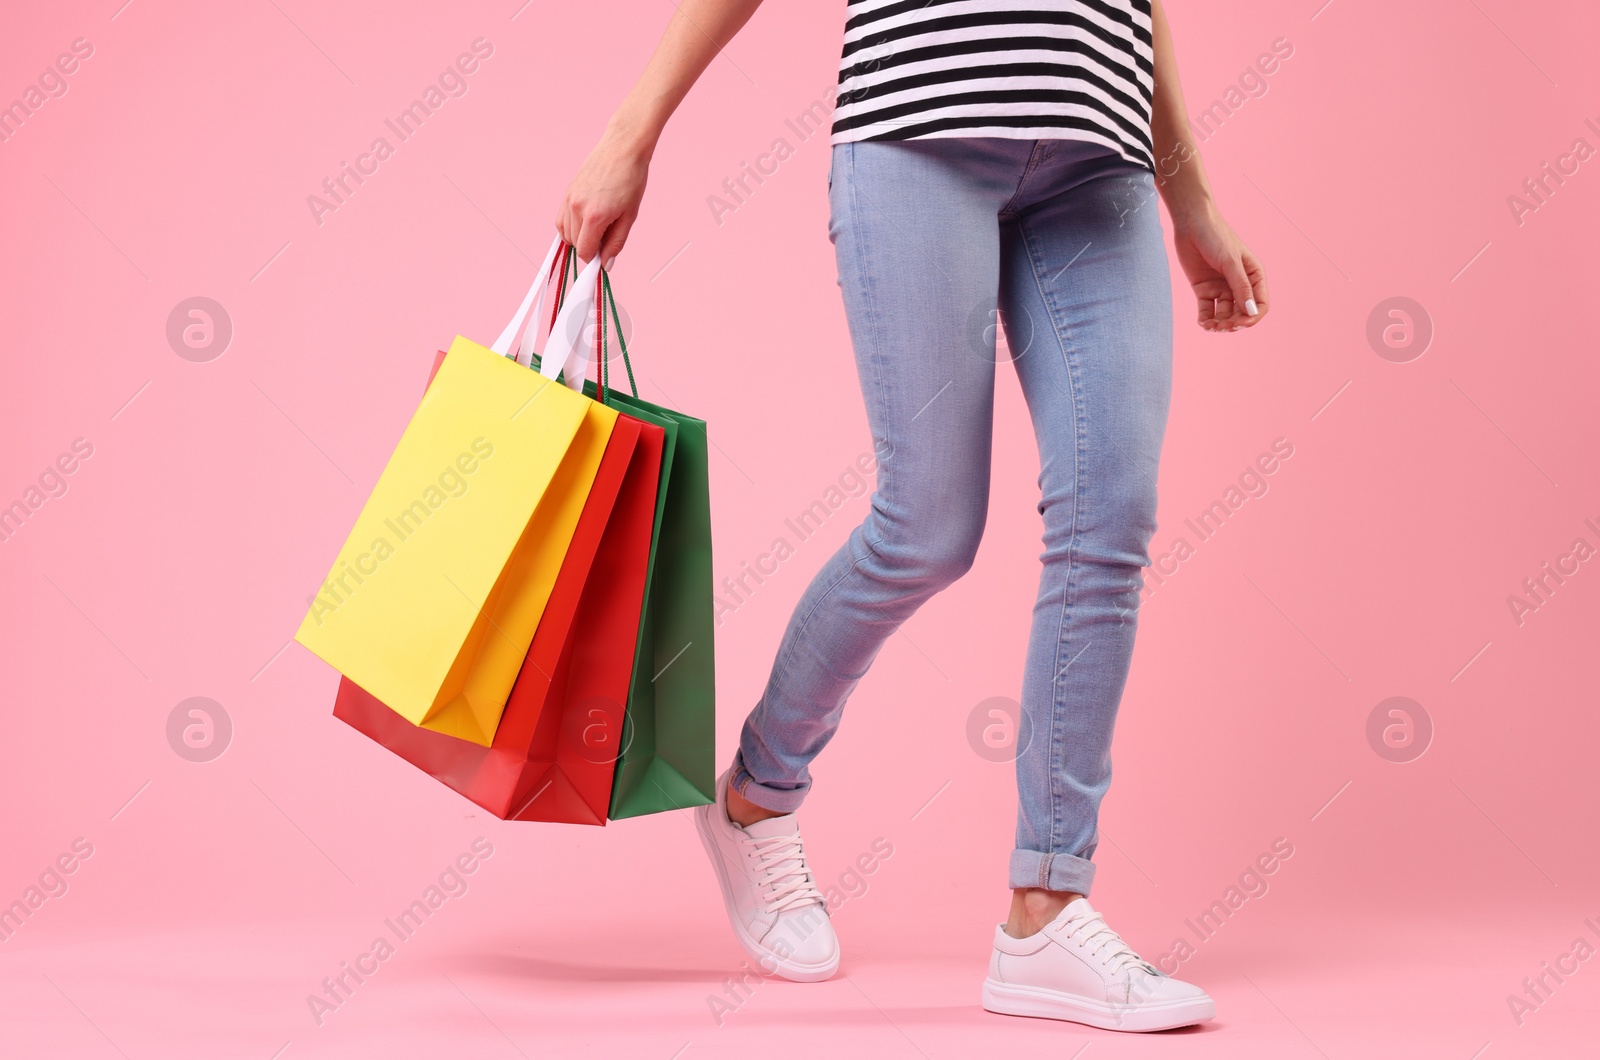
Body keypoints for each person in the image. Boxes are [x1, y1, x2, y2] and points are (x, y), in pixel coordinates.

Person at [558, 0, 1268, 1033]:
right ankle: (756, 792)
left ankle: (1046, 903)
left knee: (1109, 521)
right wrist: (632, 134)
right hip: (915, 135)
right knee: (928, 527)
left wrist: (1189, 194)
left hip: (1101, 160)